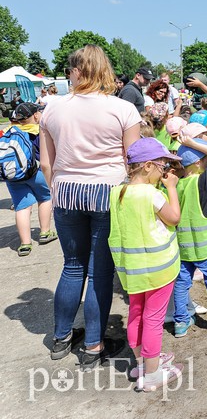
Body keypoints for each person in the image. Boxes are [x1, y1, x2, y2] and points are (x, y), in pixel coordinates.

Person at [40, 44, 141, 369]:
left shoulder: (52, 109)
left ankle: (61, 337)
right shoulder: (122, 109)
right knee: (100, 271)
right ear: (104, 70)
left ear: (74, 70)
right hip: (108, 192)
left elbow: (46, 164)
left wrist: (58, 191)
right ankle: (94, 345)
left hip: (67, 193)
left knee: (72, 266)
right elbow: (134, 160)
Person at [108, 138, 183, 391]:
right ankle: (152, 375)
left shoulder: (117, 192)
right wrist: (171, 188)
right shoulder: (152, 194)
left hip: (132, 269)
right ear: (149, 166)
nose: (165, 172)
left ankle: (142, 362)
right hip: (158, 268)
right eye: (163, 167)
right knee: (154, 318)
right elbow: (174, 218)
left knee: (136, 312)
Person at [172, 135, 207, 338]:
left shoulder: (176, 185)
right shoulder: (202, 181)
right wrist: (192, 144)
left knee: (181, 283)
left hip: (184, 247)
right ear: (198, 163)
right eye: (205, 158)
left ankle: (180, 322)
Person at [4, 102, 57, 256]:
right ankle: (45, 232)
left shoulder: (9, 131)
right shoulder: (37, 131)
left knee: (22, 207)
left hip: (14, 176)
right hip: (35, 173)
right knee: (45, 198)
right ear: (35, 115)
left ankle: (25, 244)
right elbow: (43, 157)